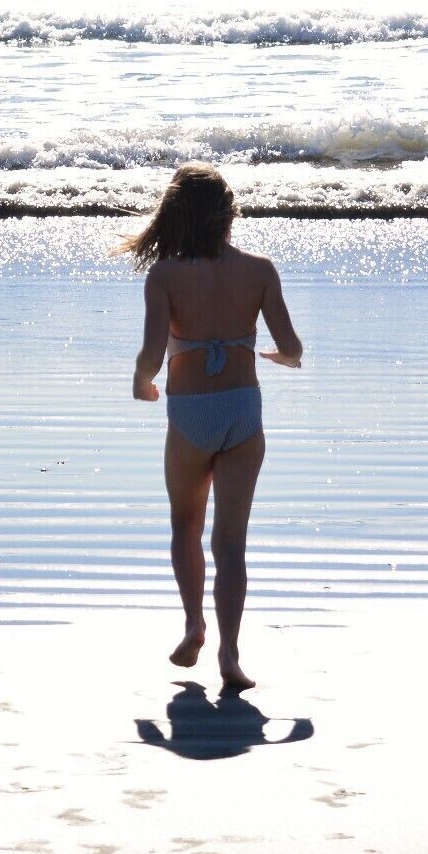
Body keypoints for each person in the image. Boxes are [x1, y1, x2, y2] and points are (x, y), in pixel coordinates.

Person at [124, 164, 302, 692]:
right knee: (232, 543)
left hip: (190, 416)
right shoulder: (260, 270)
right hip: (243, 412)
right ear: (229, 213)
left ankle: (193, 625)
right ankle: (229, 655)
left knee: (185, 526)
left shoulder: (166, 275)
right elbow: (293, 350)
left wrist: (141, 384)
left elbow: (152, 356)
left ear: (174, 214)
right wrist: (270, 356)